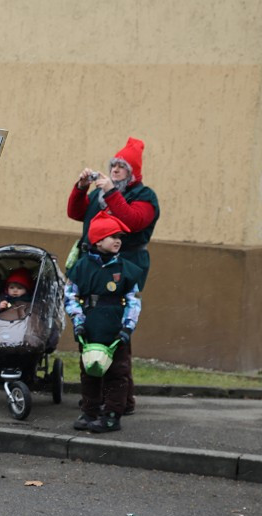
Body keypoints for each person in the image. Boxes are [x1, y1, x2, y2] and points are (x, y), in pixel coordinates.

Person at [66, 137, 160, 415]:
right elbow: (76, 213)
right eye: (114, 165)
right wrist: (81, 189)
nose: (116, 170)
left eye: (122, 167)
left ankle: (121, 398)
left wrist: (109, 192)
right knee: (91, 325)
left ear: (133, 173)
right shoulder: (101, 193)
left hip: (124, 267)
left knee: (116, 331)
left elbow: (132, 221)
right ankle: (95, 396)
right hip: (93, 265)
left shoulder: (145, 196)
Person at [64, 211, 143, 433]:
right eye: (112, 236)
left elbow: (133, 301)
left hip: (116, 331)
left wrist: (128, 327)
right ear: (98, 240)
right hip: (90, 329)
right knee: (89, 370)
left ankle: (111, 416)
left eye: (120, 237)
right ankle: (90, 411)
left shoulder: (125, 270)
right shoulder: (81, 267)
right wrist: (78, 321)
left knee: (116, 373)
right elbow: (70, 295)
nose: (118, 240)